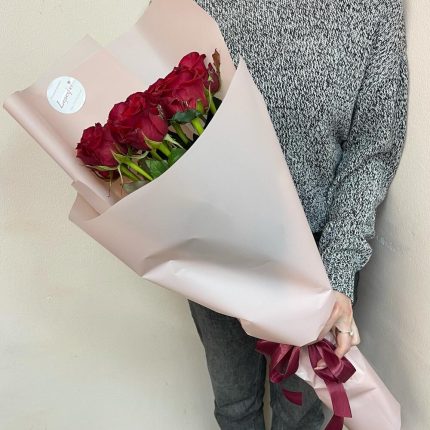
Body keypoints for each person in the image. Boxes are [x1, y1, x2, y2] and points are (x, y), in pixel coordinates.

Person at [188, 0, 409, 428]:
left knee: (301, 415)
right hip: (212, 248)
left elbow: (372, 149)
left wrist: (338, 271)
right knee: (234, 405)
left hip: (316, 258)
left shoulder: (374, 10)